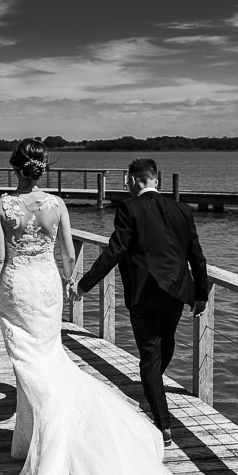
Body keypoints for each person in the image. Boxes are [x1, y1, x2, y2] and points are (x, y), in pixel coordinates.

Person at [0, 139, 181, 475]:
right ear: (42, 169)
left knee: (32, 369)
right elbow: (68, 253)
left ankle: (54, 446)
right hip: (47, 287)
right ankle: (27, 442)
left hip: (17, 288)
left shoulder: (0, 207)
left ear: (15, 168)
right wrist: (70, 286)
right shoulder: (58, 205)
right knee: (48, 362)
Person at [75, 158, 208, 446]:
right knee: (165, 344)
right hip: (176, 292)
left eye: (127, 182)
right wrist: (201, 296)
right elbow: (196, 255)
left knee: (150, 357)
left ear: (135, 180)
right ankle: (154, 386)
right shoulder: (181, 209)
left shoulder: (129, 208)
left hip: (144, 294)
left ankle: (163, 425)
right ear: (156, 180)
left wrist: (85, 285)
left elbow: (115, 251)